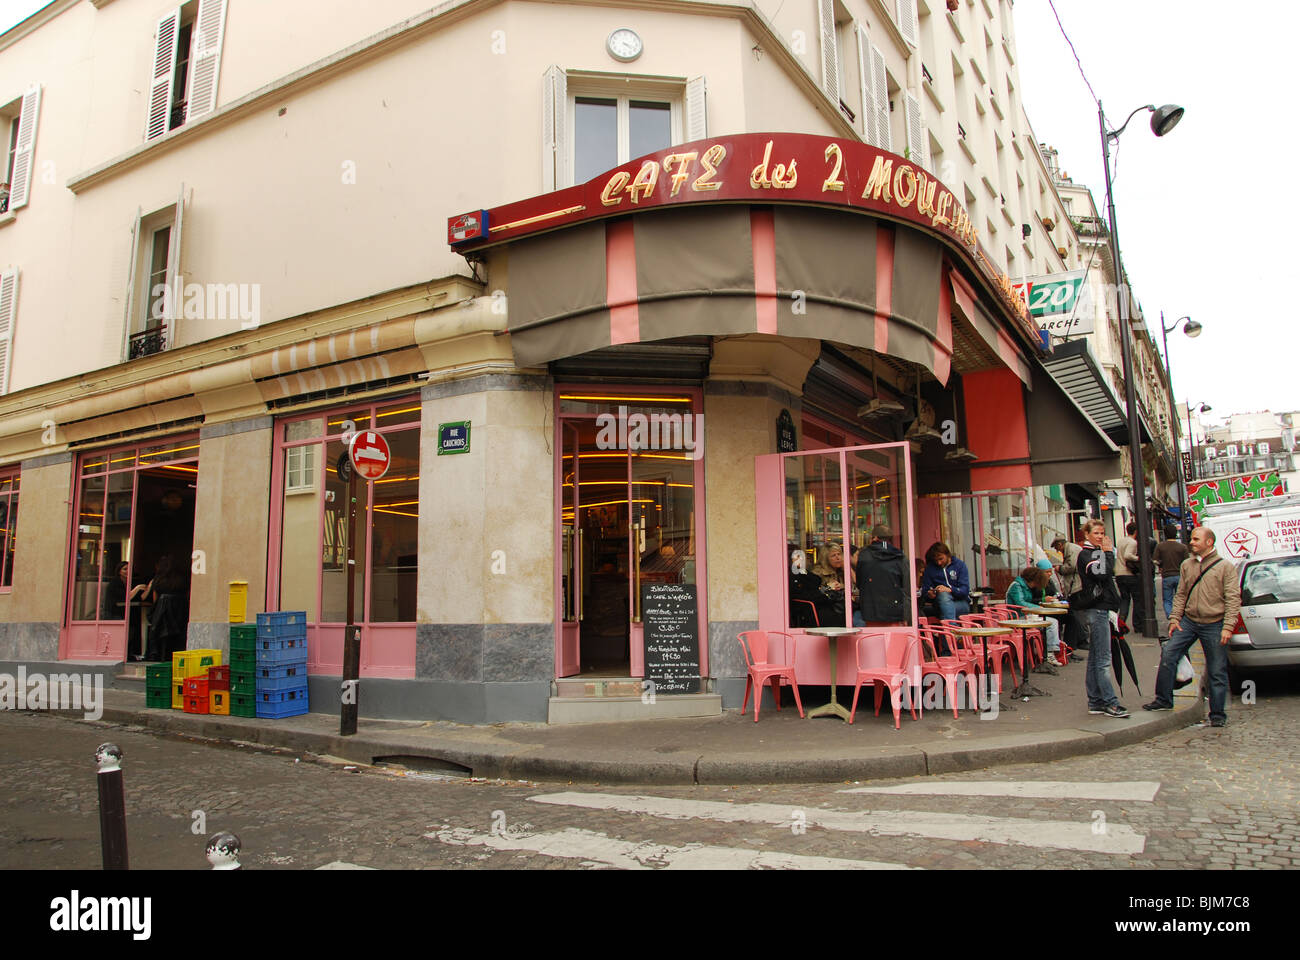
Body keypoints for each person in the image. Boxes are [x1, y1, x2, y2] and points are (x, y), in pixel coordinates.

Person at [1143, 526, 1240, 727]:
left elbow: (1233, 598)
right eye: (1192, 539)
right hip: (1188, 621)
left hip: (1214, 623)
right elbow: (1181, 594)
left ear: (1209, 542)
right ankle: (1163, 699)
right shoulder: (1187, 565)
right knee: (1169, 653)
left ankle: (1217, 715)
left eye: (1196, 539)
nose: (1192, 542)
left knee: (1216, 669)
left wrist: (1228, 627)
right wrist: (1174, 619)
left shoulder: (1225, 567)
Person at [1076, 519, 1129, 718]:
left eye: (1102, 533)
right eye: (1096, 533)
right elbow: (1102, 573)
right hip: (1097, 609)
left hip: (1100, 608)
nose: (1100, 536)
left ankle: (1096, 701)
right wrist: (1108, 552)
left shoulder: (1094, 552)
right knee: (1103, 658)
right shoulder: (1087, 554)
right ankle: (1109, 702)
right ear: (1087, 534)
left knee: (1096, 657)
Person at [1005, 565, 1064, 666]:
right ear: (1033, 580)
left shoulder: (1023, 586)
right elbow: (1021, 603)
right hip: (1016, 618)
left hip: (1023, 616)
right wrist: (1039, 608)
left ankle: (1049, 652)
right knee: (1051, 623)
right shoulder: (1017, 586)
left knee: (1051, 622)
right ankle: (1050, 653)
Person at [857, 524, 910, 625]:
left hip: (870, 609)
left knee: (873, 639)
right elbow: (907, 587)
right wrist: (906, 615)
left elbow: (860, 583)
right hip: (896, 610)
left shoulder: (864, 555)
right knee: (894, 640)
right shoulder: (900, 557)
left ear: (875, 538)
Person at [919, 541, 970, 622]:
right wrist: (930, 594)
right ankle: (952, 631)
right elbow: (925, 591)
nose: (939, 563)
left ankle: (948, 631)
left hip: (961, 603)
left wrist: (950, 589)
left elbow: (965, 590)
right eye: (936, 560)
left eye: (941, 559)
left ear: (948, 554)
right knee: (943, 597)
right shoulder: (930, 568)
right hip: (938, 604)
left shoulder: (960, 566)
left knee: (945, 608)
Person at [1054, 533, 1086, 651]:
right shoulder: (1072, 548)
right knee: (1075, 613)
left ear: (1060, 544)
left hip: (1076, 586)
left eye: (1057, 548)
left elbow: (1071, 566)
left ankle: (1081, 638)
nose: (1058, 551)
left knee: (1076, 613)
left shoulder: (1071, 549)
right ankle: (1078, 639)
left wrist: (1060, 569)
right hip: (1075, 585)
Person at [1153, 523, 1190, 620]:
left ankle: (1171, 618)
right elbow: (1188, 562)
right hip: (1180, 576)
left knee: (1167, 600)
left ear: (1165, 534)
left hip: (1167, 575)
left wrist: (1161, 565)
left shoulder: (1160, 546)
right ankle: (1181, 617)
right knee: (1181, 598)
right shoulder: (1182, 547)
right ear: (1176, 533)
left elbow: (1155, 560)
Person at [1115, 521, 1142, 630]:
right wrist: (1139, 558)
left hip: (1119, 573)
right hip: (1129, 574)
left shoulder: (1121, 541)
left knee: (1125, 599)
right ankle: (1137, 624)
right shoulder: (1132, 542)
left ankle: (1121, 622)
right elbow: (1127, 555)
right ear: (1136, 531)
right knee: (1137, 599)